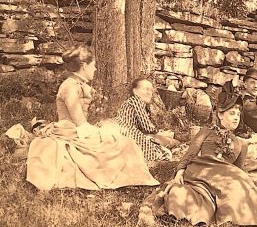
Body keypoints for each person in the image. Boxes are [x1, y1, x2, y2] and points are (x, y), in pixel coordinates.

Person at [26, 45, 160, 190]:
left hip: (77, 130)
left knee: (122, 141)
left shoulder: (78, 85)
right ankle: (122, 175)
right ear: (84, 66)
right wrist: (103, 134)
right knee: (121, 143)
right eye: (93, 66)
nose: (95, 70)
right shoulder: (70, 87)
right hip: (71, 132)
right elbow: (80, 123)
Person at [150, 89, 257, 227]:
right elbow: (190, 154)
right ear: (220, 115)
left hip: (222, 179)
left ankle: (237, 219)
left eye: (238, 115)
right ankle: (185, 213)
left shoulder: (241, 143)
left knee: (241, 184)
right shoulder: (206, 131)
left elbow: (237, 171)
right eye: (232, 113)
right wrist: (180, 171)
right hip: (201, 172)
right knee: (183, 193)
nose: (236, 118)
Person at [112, 77, 180, 164]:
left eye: (151, 90)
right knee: (164, 149)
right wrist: (159, 133)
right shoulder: (136, 101)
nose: (149, 93)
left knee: (166, 142)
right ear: (135, 91)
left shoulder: (135, 103)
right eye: (145, 89)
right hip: (127, 134)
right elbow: (147, 127)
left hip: (126, 134)